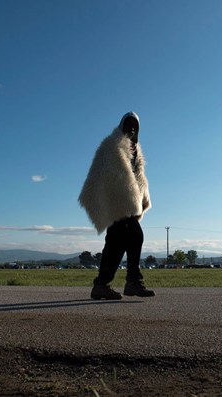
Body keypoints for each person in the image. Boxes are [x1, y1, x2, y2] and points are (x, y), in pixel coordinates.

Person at [78, 111, 155, 300]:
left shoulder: (135, 151)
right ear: (121, 126)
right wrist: (111, 197)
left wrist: (140, 198)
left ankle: (106, 285)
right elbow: (99, 174)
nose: (131, 128)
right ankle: (129, 283)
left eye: (135, 126)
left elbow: (137, 179)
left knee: (117, 244)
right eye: (128, 124)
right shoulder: (111, 146)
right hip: (116, 204)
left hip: (126, 206)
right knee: (131, 237)